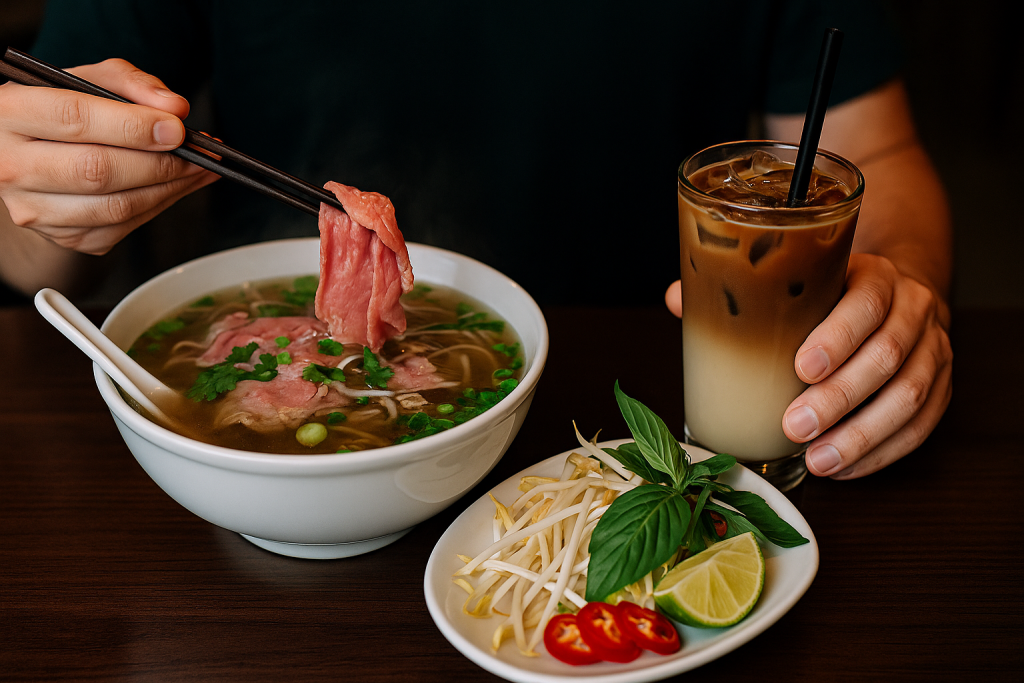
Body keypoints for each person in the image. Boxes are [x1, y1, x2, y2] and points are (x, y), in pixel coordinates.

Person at [0, 1, 951, 481]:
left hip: (640, 437)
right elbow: (22, 251)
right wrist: (31, 183)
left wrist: (899, 291)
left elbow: (873, 149)